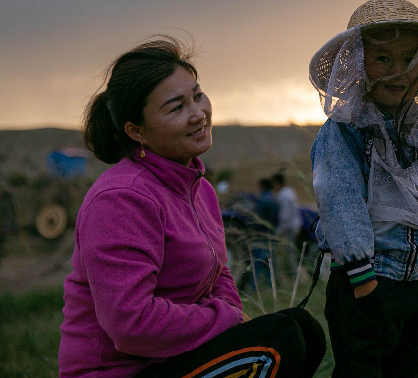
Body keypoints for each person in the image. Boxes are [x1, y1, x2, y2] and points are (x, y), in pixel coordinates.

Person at [59, 36, 325, 378]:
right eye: (176, 107)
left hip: (174, 360)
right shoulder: (121, 199)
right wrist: (227, 318)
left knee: (306, 330)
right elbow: (130, 324)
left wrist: (227, 310)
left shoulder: (199, 190)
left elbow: (219, 275)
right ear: (136, 131)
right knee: (279, 340)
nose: (198, 114)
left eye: (197, 96)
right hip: (123, 372)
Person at [308, 0, 418, 377]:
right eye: (383, 59)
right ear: (358, 65)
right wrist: (363, 281)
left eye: (409, 59)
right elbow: (339, 199)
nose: (397, 71)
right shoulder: (344, 133)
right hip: (367, 284)